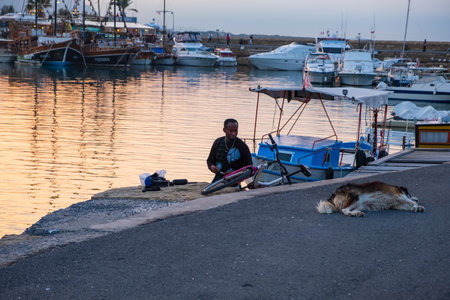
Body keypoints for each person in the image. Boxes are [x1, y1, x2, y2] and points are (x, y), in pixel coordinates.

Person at [207, 118, 252, 183]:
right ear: (224, 130)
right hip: (217, 181)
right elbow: (210, 160)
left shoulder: (242, 146)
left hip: (234, 183)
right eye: (231, 131)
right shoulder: (218, 142)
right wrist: (212, 167)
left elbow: (250, 167)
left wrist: (235, 173)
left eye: (235, 131)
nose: (234, 133)